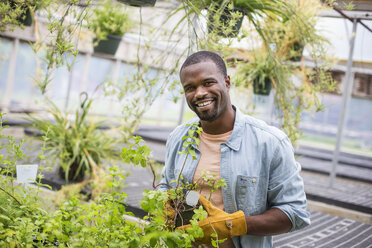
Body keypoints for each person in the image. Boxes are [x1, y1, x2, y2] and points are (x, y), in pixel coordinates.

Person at [159, 51, 310, 248]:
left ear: (227, 82)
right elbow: (168, 187)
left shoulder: (270, 142)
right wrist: (165, 205)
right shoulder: (179, 138)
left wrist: (232, 225)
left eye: (208, 82)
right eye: (190, 88)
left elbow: (294, 212)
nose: (199, 93)